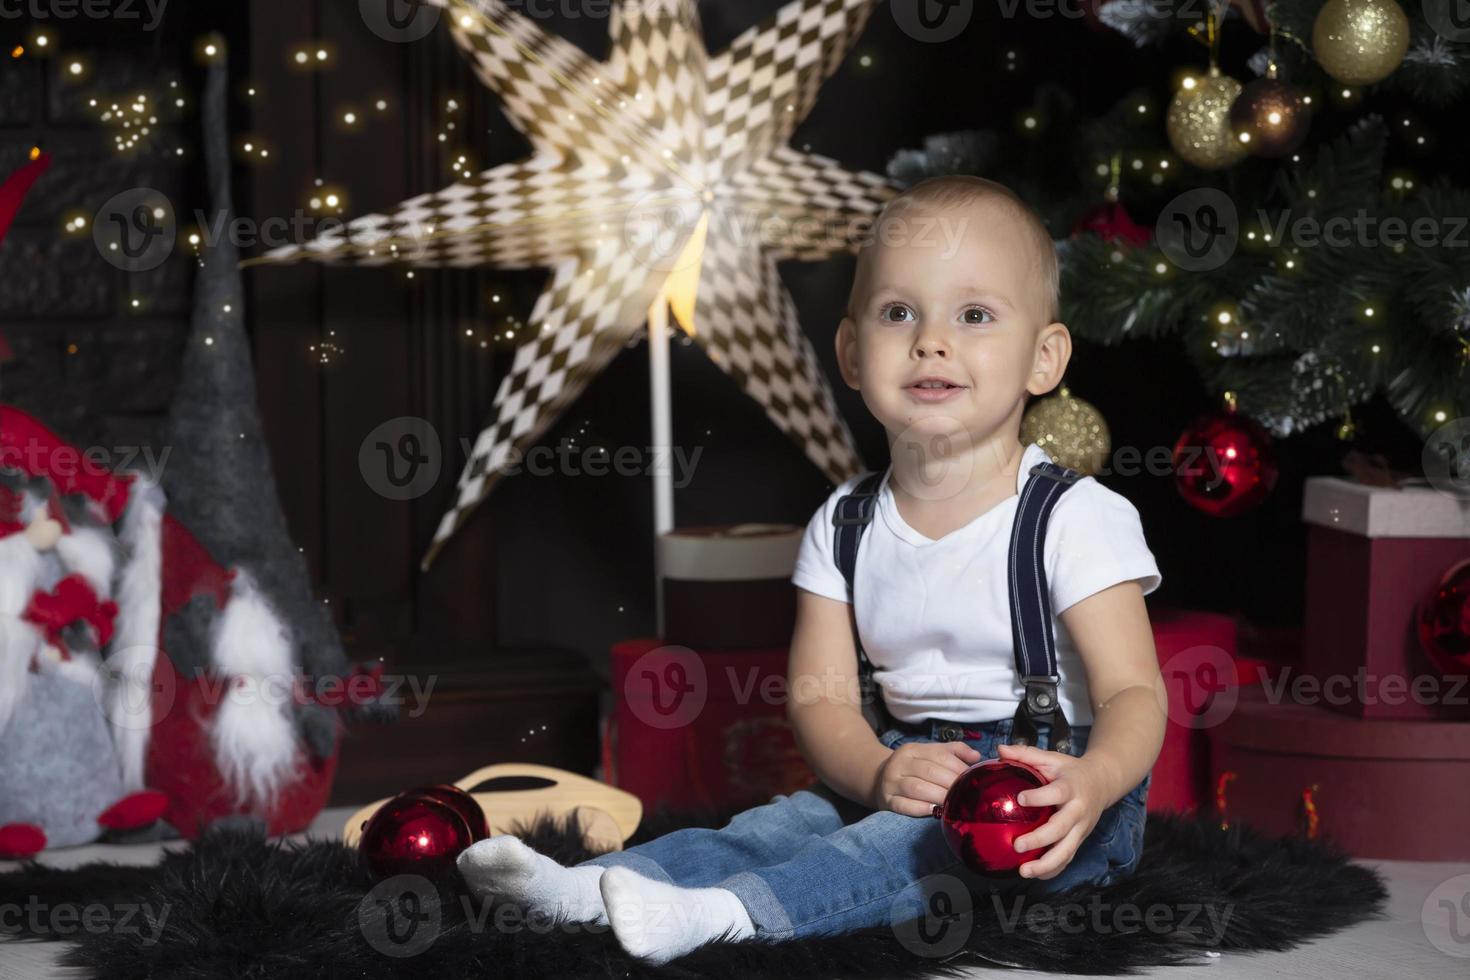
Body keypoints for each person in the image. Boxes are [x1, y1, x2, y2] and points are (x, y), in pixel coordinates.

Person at [455, 175, 1167, 965]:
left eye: (974, 315)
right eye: (900, 313)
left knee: (897, 853)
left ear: (1044, 358)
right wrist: (876, 769)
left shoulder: (1073, 518)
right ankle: (589, 889)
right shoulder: (846, 523)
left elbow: (1133, 693)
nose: (932, 339)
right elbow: (821, 701)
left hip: (1039, 799)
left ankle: (723, 919)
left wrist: (1094, 783)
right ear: (850, 353)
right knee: (776, 826)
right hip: (902, 757)